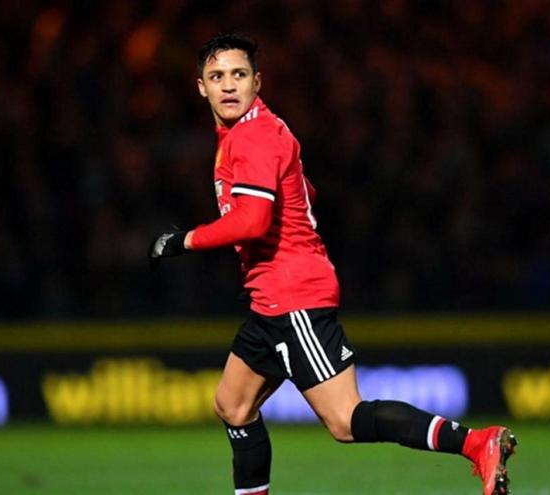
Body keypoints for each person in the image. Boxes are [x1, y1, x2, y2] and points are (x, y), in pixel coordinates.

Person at [149, 32, 516, 495]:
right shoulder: (254, 132)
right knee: (233, 405)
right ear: (201, 86)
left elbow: (253, 221)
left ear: (257, 82)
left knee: (344, 419)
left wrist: (183, 241)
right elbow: (305, 192)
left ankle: (476, 442)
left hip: (292, 296)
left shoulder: (254, 135)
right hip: (270, 298)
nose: (228, 84)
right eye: (217, 76)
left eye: (238, 74)